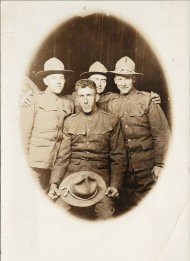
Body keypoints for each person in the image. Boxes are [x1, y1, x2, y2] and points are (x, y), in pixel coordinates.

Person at [48, 79, 126, 220]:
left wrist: (115, 185)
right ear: (77, 98)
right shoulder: (69, 121)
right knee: (57, 213)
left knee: (106, 216)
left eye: (89, 95)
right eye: (82, 96)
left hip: (101, 179)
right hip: (72, 177)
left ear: (96, 97)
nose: (85, 101)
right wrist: (54, 183)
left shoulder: (111, 121)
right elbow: (63, 157)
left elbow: (118, 156)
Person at [106, 56, 170, 212]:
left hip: (147, 166)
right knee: (125, 210)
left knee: (150, 209)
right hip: (123, 170)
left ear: (133, 79)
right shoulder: (111, 103)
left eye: (127, 78)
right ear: (114, 80)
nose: (123, 82)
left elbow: (162, 134)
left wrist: (160, 164)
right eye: (120, 78)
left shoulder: (147, 100)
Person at [20, 57, 74, 191]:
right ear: (45, 80)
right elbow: (24, 135)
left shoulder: (68, 104)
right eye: (54, 78)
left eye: (61, 78)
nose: (59, 82)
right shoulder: (34, 100)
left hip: (56, 165)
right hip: (34, 163)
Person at [20, 61, 162, 108]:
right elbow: (55, 98)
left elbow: (132, 97)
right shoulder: (74, 98)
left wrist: (152, 96)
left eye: (103, 80)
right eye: (95, 79)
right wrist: (30, 96)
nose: (99, 84)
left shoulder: (112, 98)